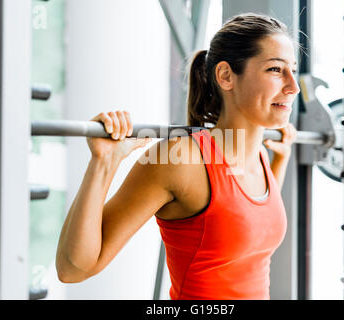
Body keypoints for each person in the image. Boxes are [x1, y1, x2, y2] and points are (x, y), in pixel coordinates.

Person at [56, 13, 300, 300]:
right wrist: (103, 163)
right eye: (275, 69)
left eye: (293, 70)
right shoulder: (179, 159)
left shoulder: (260, 156)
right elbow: (73, 270)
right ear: (225, 76)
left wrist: (279, 162)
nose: (293, 86)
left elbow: (245, 226)